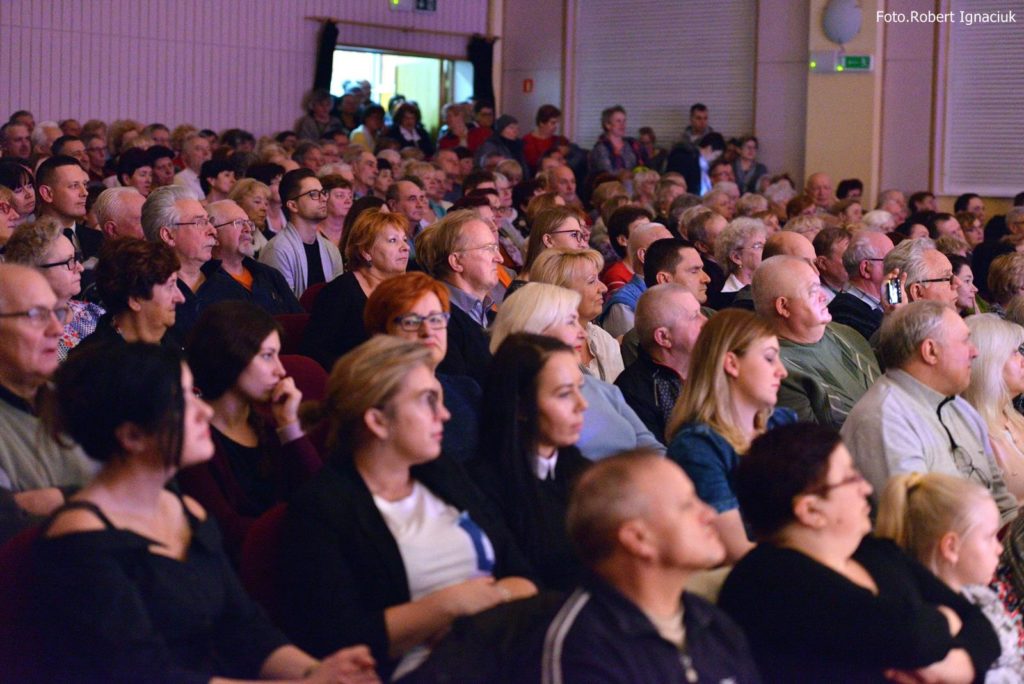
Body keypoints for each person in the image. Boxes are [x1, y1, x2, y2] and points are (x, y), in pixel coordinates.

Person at [33, 342, 378, 682]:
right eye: (182, 402)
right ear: (132, 435)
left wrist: (319, 673)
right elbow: (148, 675)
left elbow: (245, 627)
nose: (205, 412)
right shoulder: (80, 540)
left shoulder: (187, 511)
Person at [279, 336, 537, 679]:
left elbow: (523, 576)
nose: (445, 414)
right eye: (428, 401)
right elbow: (337, 639)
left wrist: (483, 610)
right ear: (377, 421)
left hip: (499, 647)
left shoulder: (443, 473)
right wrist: (448, 605)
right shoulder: (321, 508)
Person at [720, 422, 1001, 681]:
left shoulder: (874, 551)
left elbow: (980, 626)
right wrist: (947, 618)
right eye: (850, 478)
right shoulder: (766, 579)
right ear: (810, 510)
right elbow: (909, 637)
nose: (866, 487)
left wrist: (955, 667)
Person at [528, 451, 760, 683]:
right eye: (687, 505)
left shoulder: (713, 623)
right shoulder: (582, 644)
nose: (709, 514)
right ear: (639, 539)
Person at [841, 301, 1018, 525]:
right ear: (930, 351)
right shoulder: (883, 421)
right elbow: (918, 527)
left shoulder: (959, 407)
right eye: (965, 341)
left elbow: (1002, 502)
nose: (974, 352)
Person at [665, 309, 795, 562]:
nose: (782, 371)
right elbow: (737, 551)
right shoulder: (698, 447)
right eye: (770, 358)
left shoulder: (782, 422)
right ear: (732, 364)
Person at [469, 333, 590, 590]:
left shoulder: (585, 473)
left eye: (579, 388)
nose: (582, 405)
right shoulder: (481, 489)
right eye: (564, 394)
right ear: (521, 406)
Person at [489, 282, 663, 461]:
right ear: (536, 331)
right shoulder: (519, 400)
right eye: (571, 322)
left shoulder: (601, 389)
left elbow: (653, 447)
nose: (583, 334)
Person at [876, 473, 1024, 680]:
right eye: (989, 537)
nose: (999, 548)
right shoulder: (933, 626)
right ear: (951, 547)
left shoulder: (984, 596)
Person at [0, 264, 95, 540]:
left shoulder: (80, 396)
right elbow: (10, 530)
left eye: (57, 313)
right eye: (36, 315)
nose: (57, 328)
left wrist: (58, 499)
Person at [363, 272, 481, 464]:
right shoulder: (374, 402)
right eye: (411, 321)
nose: (427, 331)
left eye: (436, 319)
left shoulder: (468, 390)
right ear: (380, 335)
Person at [752, 255, 880, 426]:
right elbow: (811, 440)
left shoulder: (847, 333)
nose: (824, 296)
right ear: (783, 307)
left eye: (820, 287)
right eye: (813, 291)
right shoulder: (779, 372)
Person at [302, 209, 410, 370]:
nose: (405, 247)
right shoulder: (340, 292)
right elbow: (313, 351)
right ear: (366, 251)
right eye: (393, 240)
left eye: (405, 240)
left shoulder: (407, 290)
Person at [414, 210, 502, 385]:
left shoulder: (493, 317)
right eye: (488, 248)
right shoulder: (437, 322)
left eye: (496, 248)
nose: (499, 258)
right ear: (456, 261)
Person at [3, 218, 103, 361]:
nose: (80, 268)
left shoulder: (95, 313)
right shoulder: (20, 335)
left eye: (76, 259)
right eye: (69, 262)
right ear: (34, 271)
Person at [615, 284, 706, 439]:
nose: (706, 321)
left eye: (701, 312)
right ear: (663, 337)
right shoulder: (633, 392)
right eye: (694, 317)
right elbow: (653, 450)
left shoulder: (712, 369)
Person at [529, 248, 624, 382]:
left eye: (599, 278)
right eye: (592, 281)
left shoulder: (603, 338)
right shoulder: (540, 355)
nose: (603, 288)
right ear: (561, 292)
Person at [78, 237, 185, 351]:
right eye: (170, 287)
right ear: (135, 299)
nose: (181, 298)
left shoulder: (176, 346)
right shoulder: (92, 358)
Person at [963, 314, 1024, 501]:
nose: (1022, 360)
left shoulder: (1014, 418)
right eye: (1013, 353)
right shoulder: (971, 438)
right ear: (989, 364)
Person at [259, 169, 344, 299]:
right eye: (313, 194)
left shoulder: (330, 249)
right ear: (293, 205)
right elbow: (283, 305)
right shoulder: (278, 250)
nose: (323, 199)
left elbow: (339, 297)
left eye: (323, 193)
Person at [600, 222, 673, 337]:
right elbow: (632, 347)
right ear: (644, 255)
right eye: (668, 247)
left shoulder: (674, 290)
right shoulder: (623, 305)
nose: (678, 253)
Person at [827, 229, 894, 340]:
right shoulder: (845, 314)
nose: (897, 267)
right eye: (890, 261)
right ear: (866, 268)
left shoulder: (888, 302)